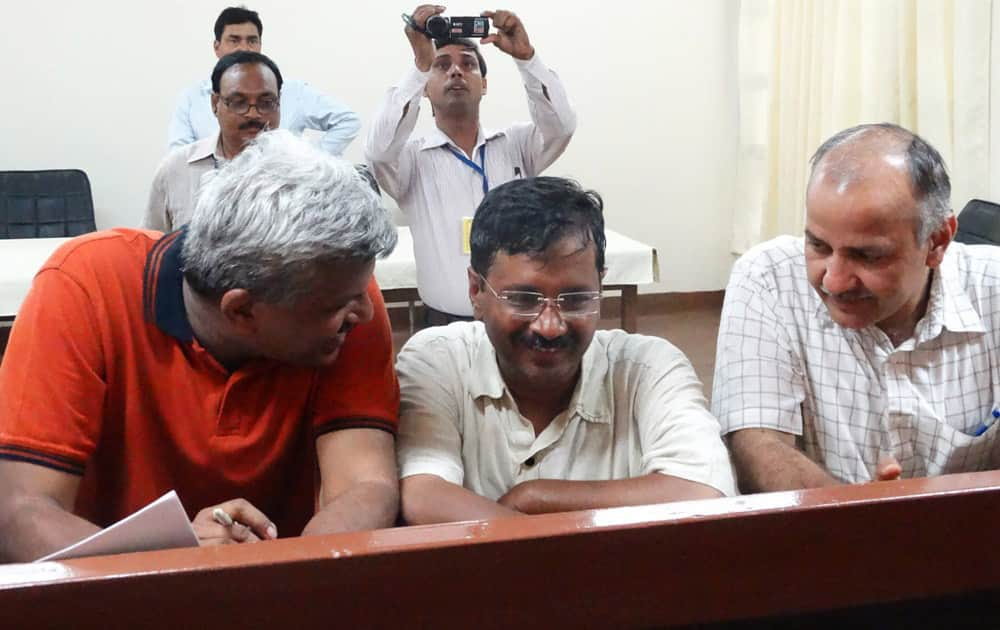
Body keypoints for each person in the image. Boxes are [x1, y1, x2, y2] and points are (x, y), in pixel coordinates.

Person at [0, 131, 400, 563]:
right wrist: (177, 561)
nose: (367, 313)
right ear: (242, 311)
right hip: (109, 602)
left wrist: (297, 574)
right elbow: (19, 514)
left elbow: (366, 485)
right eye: (340, 305)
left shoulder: (344, 295)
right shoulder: (85, 288)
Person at [395, 177, 735, 525]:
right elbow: (423, 496)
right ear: (475, 291)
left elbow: (706, 493)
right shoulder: (438, 360)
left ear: (600, 285)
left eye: (575, 299)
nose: (550, 326)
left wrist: (536, 497)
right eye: (523, 299)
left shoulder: (647, 369)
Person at [712, 122, 1000, 492]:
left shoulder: (992, 288)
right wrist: (860, 517)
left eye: (866, 256)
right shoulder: (767, 279)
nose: (833, 280)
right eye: (818, 246)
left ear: (937, 241)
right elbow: (758, 445)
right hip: (819, 538)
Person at [366, 5, 576, 324]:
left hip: (515, 317)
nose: (456, 72)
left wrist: (527, 58)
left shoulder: (516, 144)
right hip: (443, 320)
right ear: (424, 87)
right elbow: (378, 150)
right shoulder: (410, 158)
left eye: (468, 64)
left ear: (485, 84)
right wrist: (420, 63)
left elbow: (562, 127)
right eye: (442, 65)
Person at [167, 6, 359, 155]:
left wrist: (309, 164)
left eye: (252, 40)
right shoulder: (191, 98)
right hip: (216, 196)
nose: (244, 48)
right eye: (234, 40)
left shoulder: (293, 91)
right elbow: (180, 155)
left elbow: (347, 121)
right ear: (217, 47)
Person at [145, 51, 281, 231]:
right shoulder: (177, 170)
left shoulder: (304, 174)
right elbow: (151, 248)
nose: (253, 114)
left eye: (266, 102)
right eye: (238, 102)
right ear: (215, 104)